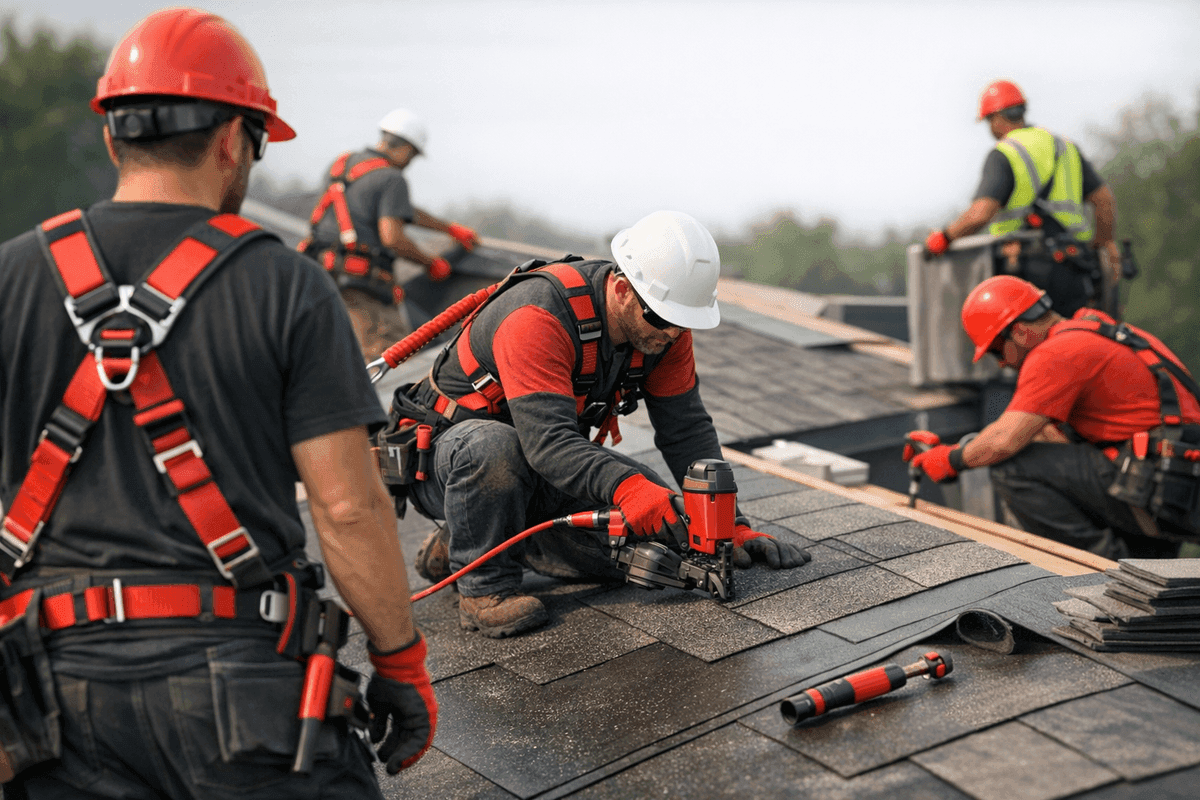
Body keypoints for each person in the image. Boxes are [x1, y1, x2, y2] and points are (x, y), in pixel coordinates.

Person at [0, 8, 435, 796]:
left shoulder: (10, 277)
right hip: (240, 689)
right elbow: (346, 507)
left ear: (112, 136)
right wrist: (400, 662)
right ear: (235, 138)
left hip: (47, 700)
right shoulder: (286, 284)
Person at [381, 210, 811, 639]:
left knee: (658, 538)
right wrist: (627, 488)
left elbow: (687, 431)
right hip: (451, 464)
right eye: (662, 319)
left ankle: (472, 538)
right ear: (623, 289)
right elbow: (549, 443)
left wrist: (726, 525)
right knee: (495, 447)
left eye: (684, 323)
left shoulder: (665, 332)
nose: (672, 334)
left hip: (536, 469)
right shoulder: (537, 317)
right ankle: (484, 588)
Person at [904, 275, 1200, 561]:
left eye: (996, 350)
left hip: (1161, 483)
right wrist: (962, 447)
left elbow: (1006, 441)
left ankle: (1102, 568)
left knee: (1012, 467)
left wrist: (951, 460)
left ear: (1019, 331)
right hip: (1177, 478)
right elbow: (1034, 434)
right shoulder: (1093, 330)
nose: (1003, 363)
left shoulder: (1055, 354)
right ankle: (1145, 560)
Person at [924, 80, 1122, 318]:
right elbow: (1103, 200)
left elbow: (982, 212)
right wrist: (1102, 243)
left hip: (1023, 271)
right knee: (1072, 339)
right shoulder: (1065, 148)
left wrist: (945, 238)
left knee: (1027, 347)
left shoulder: (1005, 153)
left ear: (996, 118)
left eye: (988, 121)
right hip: (1073, 267)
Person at [301, 109, 481, 359]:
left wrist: (448, 229)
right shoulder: (392, 178)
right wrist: (432, 263)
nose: (409, 163)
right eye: (413, 157)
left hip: (320, 278)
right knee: (393, 360)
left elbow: (400, 209)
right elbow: (393, 238)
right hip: (362, 290)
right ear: (407, 149)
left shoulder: (344, 163)